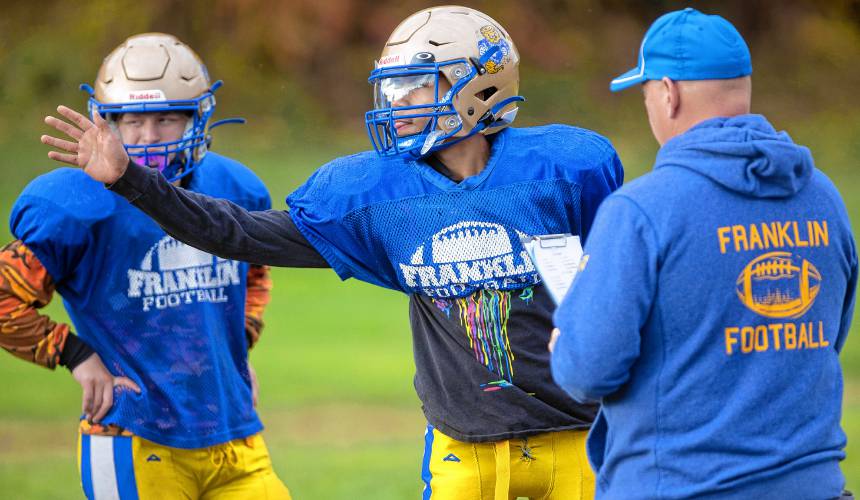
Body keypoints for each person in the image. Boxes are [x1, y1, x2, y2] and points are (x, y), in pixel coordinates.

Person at [41, 7, 623, 499]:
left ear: (481, 85)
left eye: (417, 85)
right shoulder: (375, 195)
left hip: (579, 433)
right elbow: (234, 233)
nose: (398, 102)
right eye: (392, 87)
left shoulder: (564, 170)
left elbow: (624, 283)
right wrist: (130, 180)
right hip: (462, 449)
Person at [550, 8, 857, 499]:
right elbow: (825, 335)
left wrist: (565, 341)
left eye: (646, 92)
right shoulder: (823, 197)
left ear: (668, 92)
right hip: (814, 486)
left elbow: (587, 372)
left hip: (680, 486)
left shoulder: (641, 210)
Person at [5, 33, 291, 499]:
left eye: (166, 119)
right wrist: (74, 355)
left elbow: (253, 274)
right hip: (133, 436)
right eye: (131, 120)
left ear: (198, 117)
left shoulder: (233, 187)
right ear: (106, 122)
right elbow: (3, 295)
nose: (148, 137)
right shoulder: (73, 205)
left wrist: (235, 349)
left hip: (234, 434)